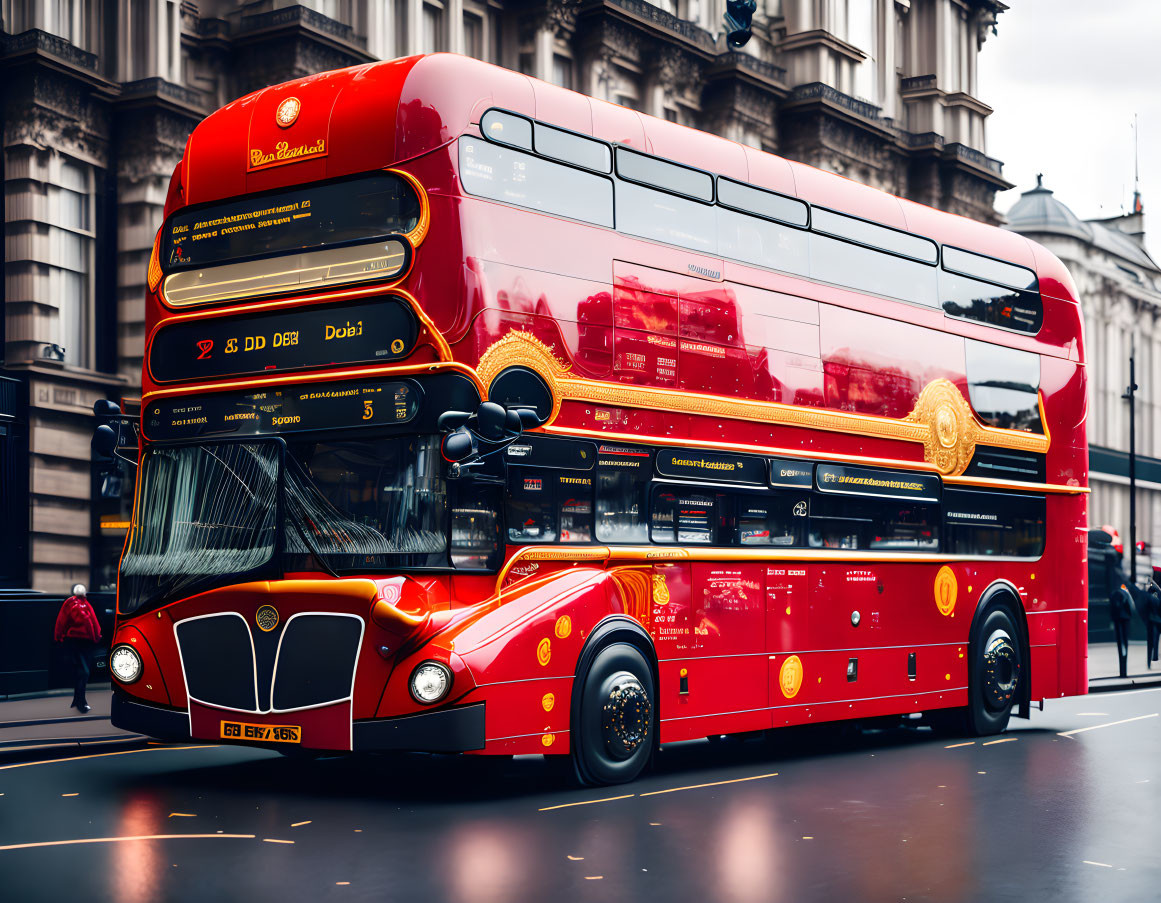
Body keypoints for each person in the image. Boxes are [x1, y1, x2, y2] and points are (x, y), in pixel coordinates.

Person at [53, 584, 101, 713]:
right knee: (84, 672)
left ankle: (78, 700)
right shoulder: (85, 605)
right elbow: (93, 622)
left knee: (81, 671)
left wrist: (59, 637)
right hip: (85, 641)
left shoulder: (69, 604)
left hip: (73, 641)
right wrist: (96, 636)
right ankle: (80, 703)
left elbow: (61, 621)